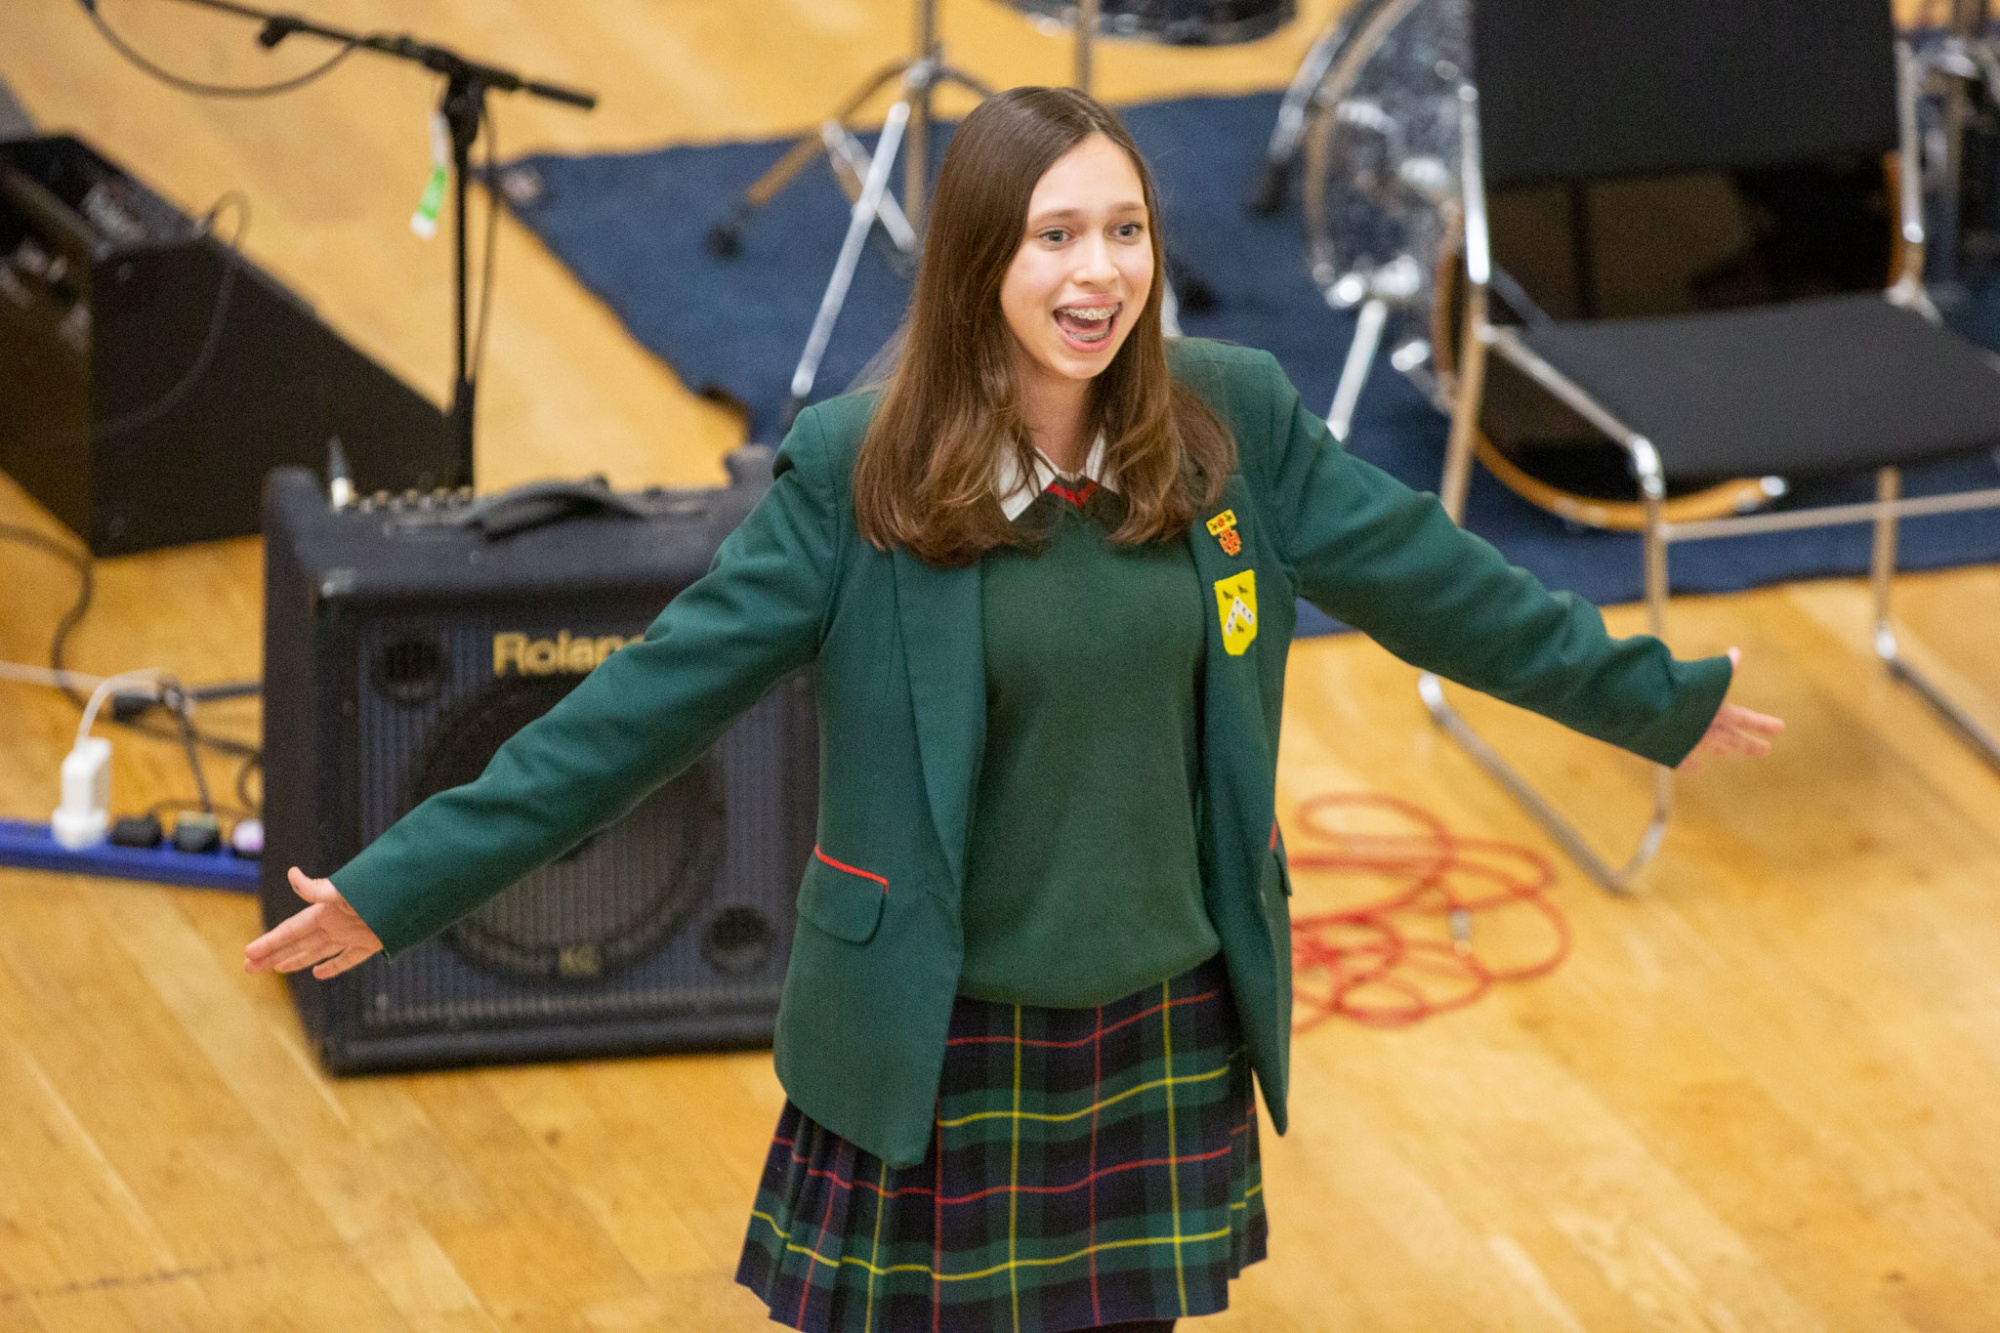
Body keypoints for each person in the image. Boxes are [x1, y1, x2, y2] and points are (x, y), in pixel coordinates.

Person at [245, 87, 1783, 1332]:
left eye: (1125, 230)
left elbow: (1441, 581)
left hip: (1159, 1019)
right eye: (1055, 235)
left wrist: (1651, 697)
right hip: (941, 1036)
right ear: (981, 259)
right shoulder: (855, 478)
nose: (1098, 272)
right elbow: (633, 714)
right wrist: (401, 885)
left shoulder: (1231, 422)